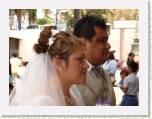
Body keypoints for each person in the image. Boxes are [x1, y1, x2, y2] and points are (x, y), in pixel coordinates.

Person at [9, 26, 89, 106]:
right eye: (80, 59)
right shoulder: (43, 102)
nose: (87, 65)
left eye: (85, 59)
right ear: (58, 63)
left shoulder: (71, 95)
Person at [73, 15, 116, 106]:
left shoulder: (104, 73)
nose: (108, 46)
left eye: (106, 40)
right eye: (101, 40)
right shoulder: (71, 77)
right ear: (83, 44)